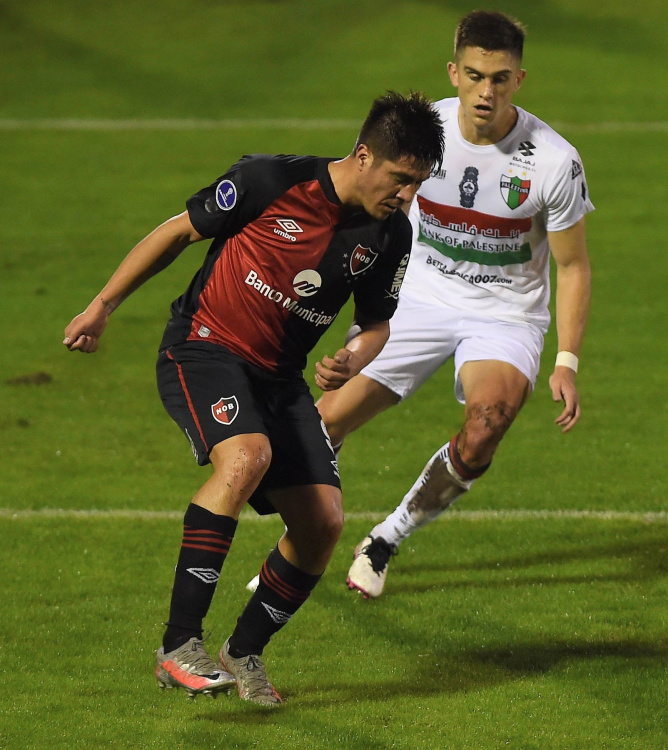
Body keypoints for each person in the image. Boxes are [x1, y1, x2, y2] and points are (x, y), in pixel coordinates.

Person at [63, 91, 445, 704]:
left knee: (323, 523)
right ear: (364, 155)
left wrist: (354, 358)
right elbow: (177, 233)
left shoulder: (390, 235)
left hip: (280, 379)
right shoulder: (270, 180)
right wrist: (102, 306)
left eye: (418, 184)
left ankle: (242, 653)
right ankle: (178, 646)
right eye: (400, 179)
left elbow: (376, 324)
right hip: (204, 347)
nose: (407, 195)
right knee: (246, 457)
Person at [318, 11, 594, 600]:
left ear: (519, 79)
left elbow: (572, 266)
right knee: (325, 421)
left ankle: (385, 539)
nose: (485, 92)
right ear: (453, 73)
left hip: (505, 313)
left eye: (499, 78)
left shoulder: (553, 162)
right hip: (417, 295)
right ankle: (303, 543)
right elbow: (365, 209)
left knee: (486, 426)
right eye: (474, 76)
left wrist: (566, 360)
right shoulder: (422, 135)